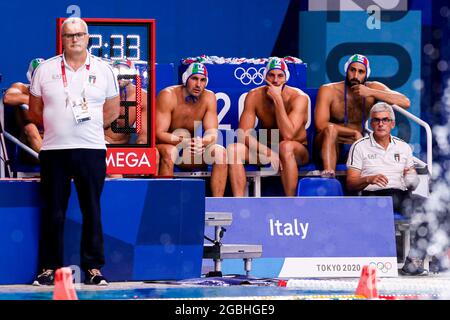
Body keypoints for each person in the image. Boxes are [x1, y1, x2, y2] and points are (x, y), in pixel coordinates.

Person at [29, 17, 120, 286]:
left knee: (91, 209)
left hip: (91, 149)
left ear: (88, 37)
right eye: (69, 35)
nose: (75, 39)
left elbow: (113, 111)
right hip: (55, 150)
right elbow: (35, 111)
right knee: (53, 211)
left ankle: (93, 268)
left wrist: (89, 126)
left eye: (79, 34)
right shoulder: (45, 70)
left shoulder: (104, 70)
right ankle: (48, 268)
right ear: (62, 39)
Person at [346, 102, 427, 276]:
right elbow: (351, 183)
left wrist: (411, 178)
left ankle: (413, 263)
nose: (381, 124)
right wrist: (369, 178)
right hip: (372, 196)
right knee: (382, 209)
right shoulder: (359, 146)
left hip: (400, 193)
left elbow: (411, 178)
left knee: (429, 210)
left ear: (392, 123)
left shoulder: (403, 147)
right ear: (371, 123)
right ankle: (382, 264)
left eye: (385, 120)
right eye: (376, 120)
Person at [314, 53, 410, 178]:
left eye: (361, 72)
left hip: (356, 144)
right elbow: (320, 125)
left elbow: (405, 102)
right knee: (330, 130)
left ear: (366, 74)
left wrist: (371, 92)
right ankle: (329, 176)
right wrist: (353, 133)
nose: (355, 75)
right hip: (330, 142)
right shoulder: (329, 90)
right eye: (352, 70)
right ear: (346, 70)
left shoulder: (372, 88)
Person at [227, 57, 309, 196]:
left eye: (280, 76)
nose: (276, 80)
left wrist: (278, 100)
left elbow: (288, 135)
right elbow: (243, 134)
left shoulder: (299, 97)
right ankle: (238, 204)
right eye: (271, 75)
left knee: (285, 146)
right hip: (267, 149)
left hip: (296, 150)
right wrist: (269, 153)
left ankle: (292, 205)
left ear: (286, 78)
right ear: (265, 77)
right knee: (233, 150)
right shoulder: (254, 95)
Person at [156, 62, 227, 196]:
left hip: (190, 150)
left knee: (220, 153)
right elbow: (158, 134)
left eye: (202, 80)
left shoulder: (209, 97)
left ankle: (218, 204)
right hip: (167, 147)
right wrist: (185, 141)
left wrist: (202, 142)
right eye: (194, 79)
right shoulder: (168, 95)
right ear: (185, 79)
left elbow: (212, 133)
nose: (198, 84)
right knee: (170, 152)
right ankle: (165, 202)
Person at [3, 58, 45, 154]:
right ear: (30, 76)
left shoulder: (55, 92)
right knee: (30, 127)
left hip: (53, 144)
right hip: (29, 149)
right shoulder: (21, 88)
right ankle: (52, 163)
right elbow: (8, 98)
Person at [104, 59, 148, 145]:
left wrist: (140, 147)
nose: (120, 75)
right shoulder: (100, 93)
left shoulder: (142, 97)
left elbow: (144, 133)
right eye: (116, 71)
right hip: (99, 145)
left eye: (124, 71)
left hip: (124, 147)